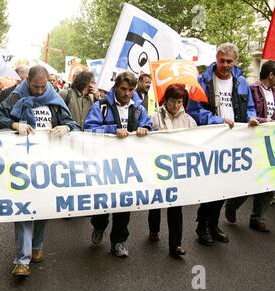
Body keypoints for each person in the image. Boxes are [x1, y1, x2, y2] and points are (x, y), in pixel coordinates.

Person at [0, 65, 80, 279]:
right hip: (21, 165)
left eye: (43, 86)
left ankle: (37, 246)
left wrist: (67, 127)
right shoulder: (14, 96)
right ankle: (22, 260)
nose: (39, 91)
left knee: (43, 207)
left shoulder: (54, 98)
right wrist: (12, 125)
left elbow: (73, 124)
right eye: (35, 86)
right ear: (27, 80)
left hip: (47, 166)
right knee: (23, 209)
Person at [187, 43, 259, 246]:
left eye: (229, 61)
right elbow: (194, 110)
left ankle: (214, 224)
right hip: (211, 140)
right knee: (210, 185)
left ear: (235, 61)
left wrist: (251, 118)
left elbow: (249, 108)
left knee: (225, 186)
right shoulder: (202, 80)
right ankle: (202, 226)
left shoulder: (242, 81)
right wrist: (217, 120)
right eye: (222, 60)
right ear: (216, 59)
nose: (225, 65)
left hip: (234, 142)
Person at [84, 71, 151, 257]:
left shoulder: (139, 109)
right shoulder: (101, 106)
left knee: (124, 205)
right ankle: (99, 226)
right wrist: (113, 130)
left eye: (130, 89)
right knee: (102, 203)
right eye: (123, 89)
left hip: (129, 166)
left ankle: (119, 241)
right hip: (104, 165)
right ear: (115, 87)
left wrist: (145, 129)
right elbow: (89, 129)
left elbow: (150, 128)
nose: (127, 93)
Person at [224, 60, 275, 232]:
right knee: (250, 178)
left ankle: (257, 218)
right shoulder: (252, 89)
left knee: (269, 181)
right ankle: (232, 204)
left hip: (270, 142)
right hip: (252, 140)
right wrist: (263, 121)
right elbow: (248, 113)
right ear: (271, 75)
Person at [148, 84, 197, 257]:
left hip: (178, 170)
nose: (176, 106)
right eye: (172, 101)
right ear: (165, 100)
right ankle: (153, 230)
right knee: (156, 204)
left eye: (179, 102)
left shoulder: (189, 120)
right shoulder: (154, 118)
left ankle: (175, 244)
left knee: (176, 207)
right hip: (157, 169)